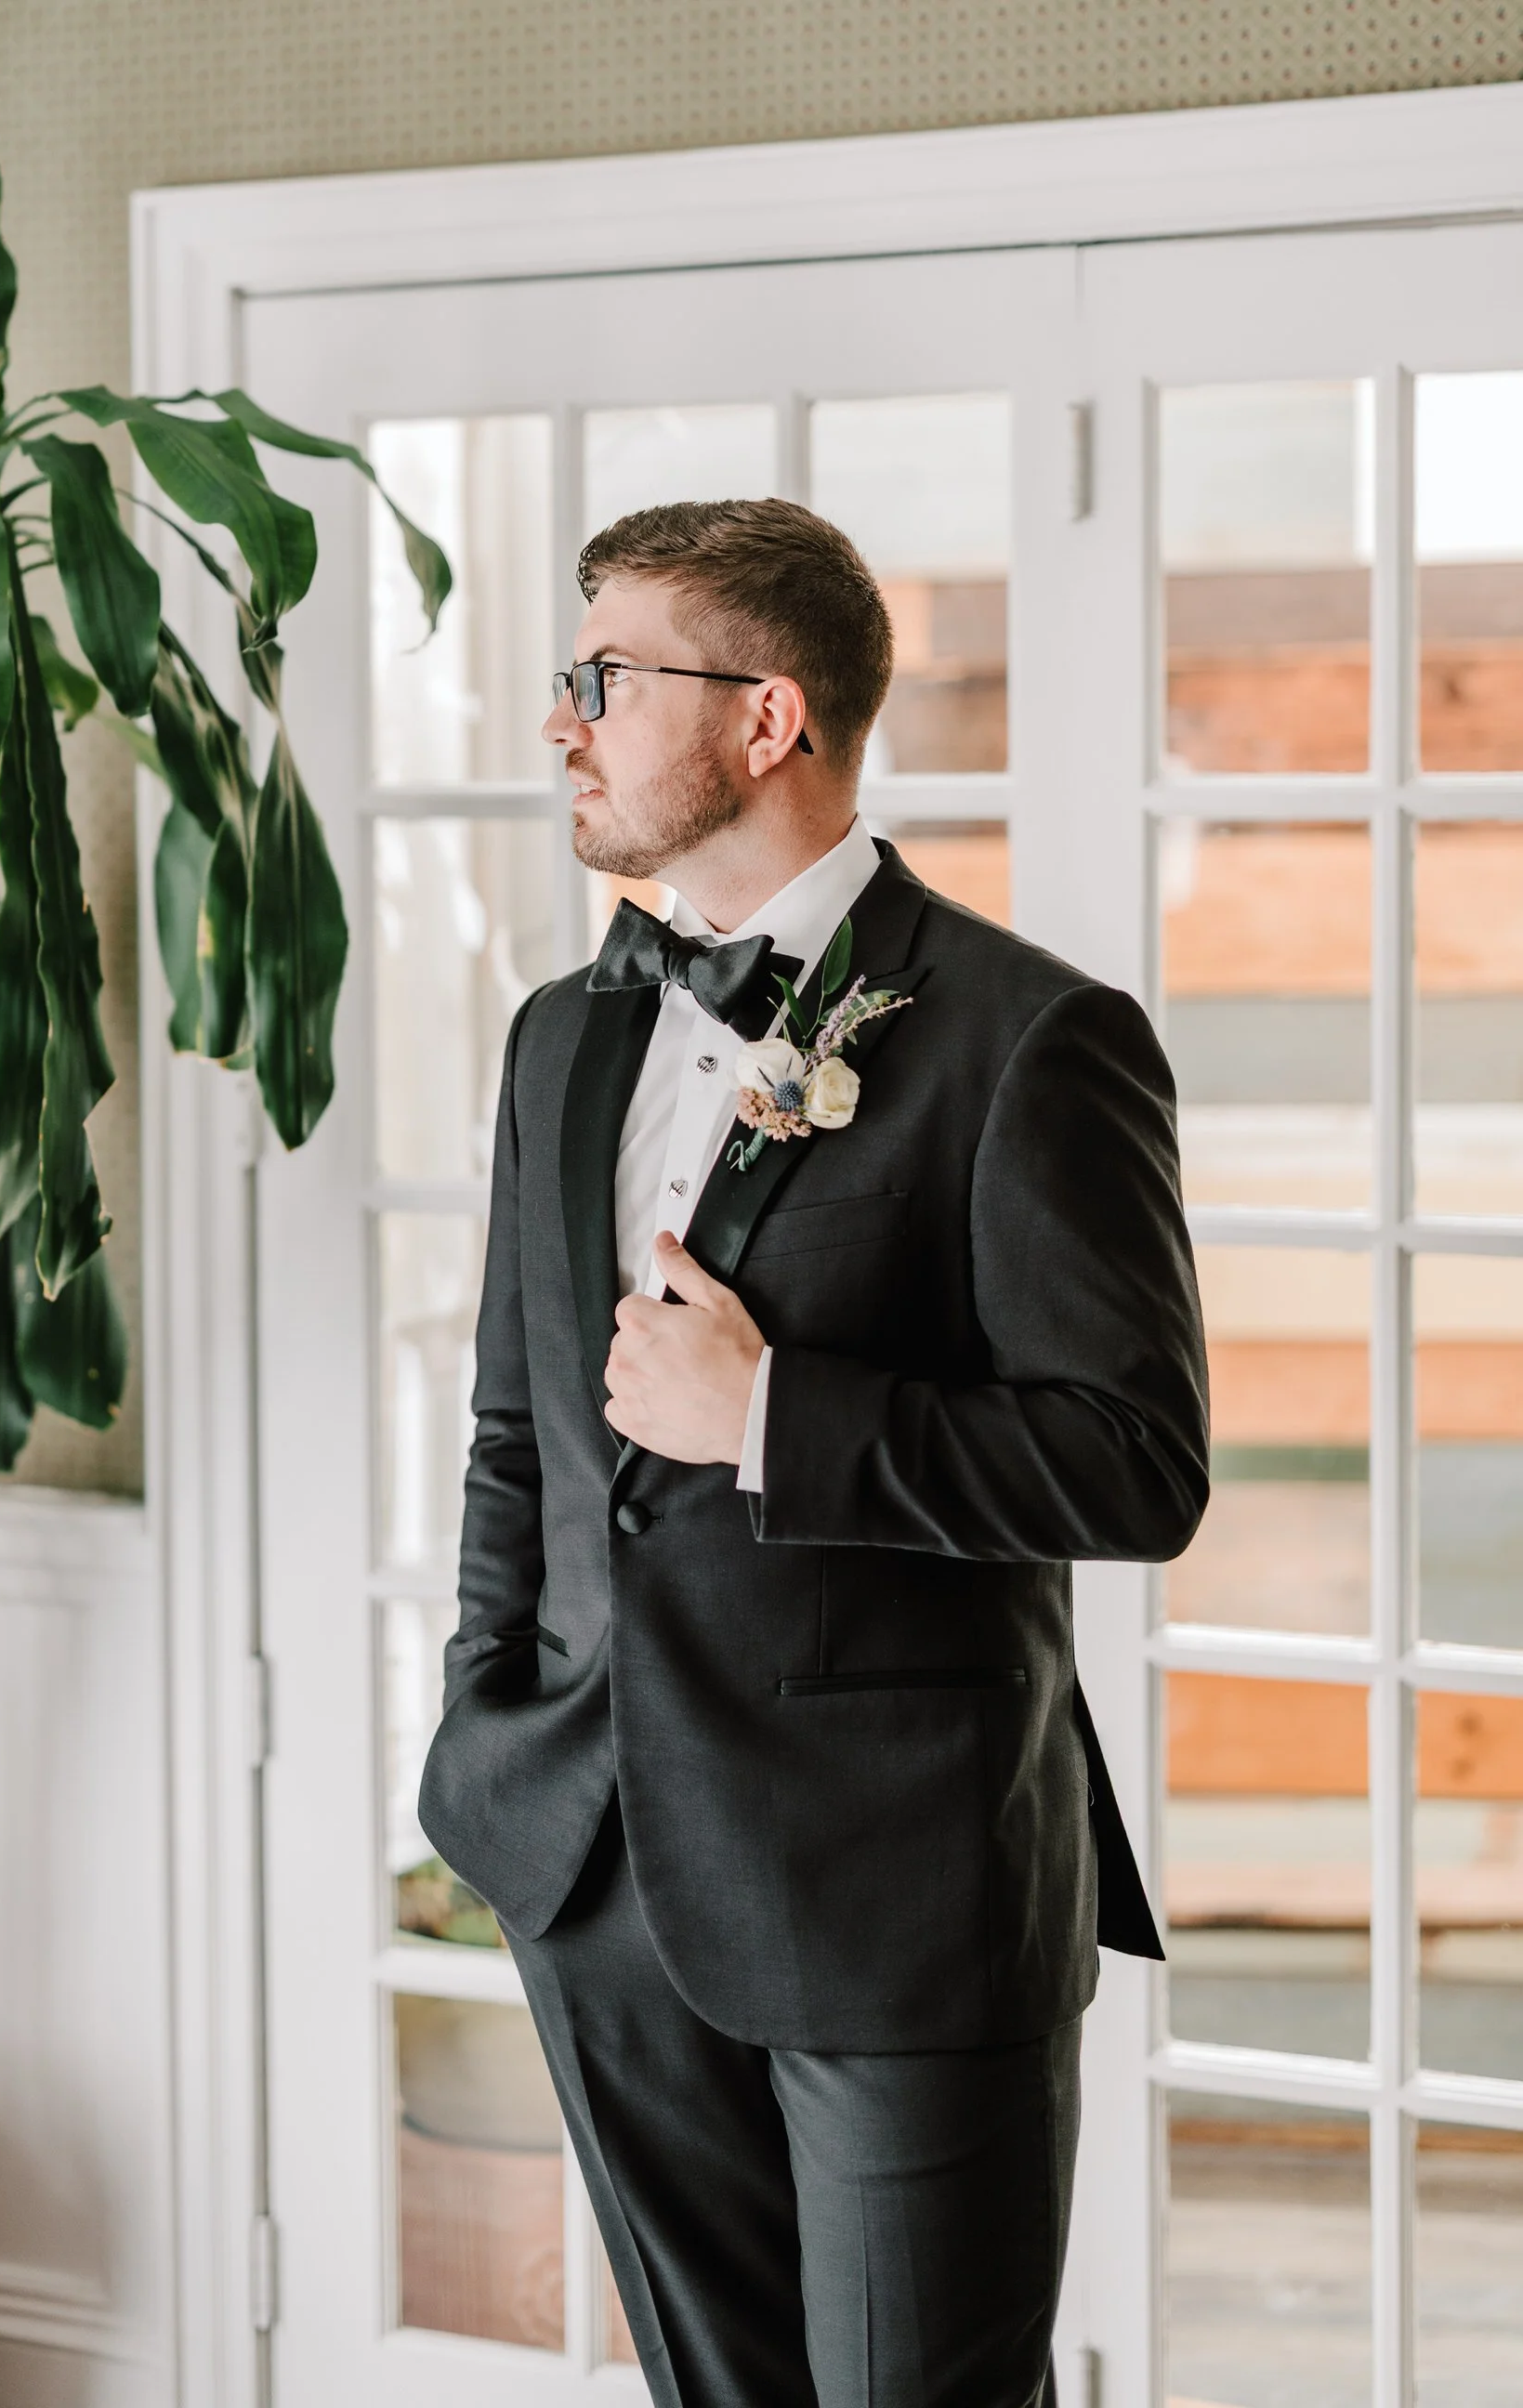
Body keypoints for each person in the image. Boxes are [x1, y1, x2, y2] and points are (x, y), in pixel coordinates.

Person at [419, 497, 1209, 2408]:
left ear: (766, 719)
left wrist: (772, 1416)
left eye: (602, 677)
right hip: (591, 1857)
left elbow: (1134, 1463)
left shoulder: (1036, 1042)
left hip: (900, 1898)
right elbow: (517, 1431)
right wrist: (488, 1722)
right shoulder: (560, 1039)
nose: (562, 723)